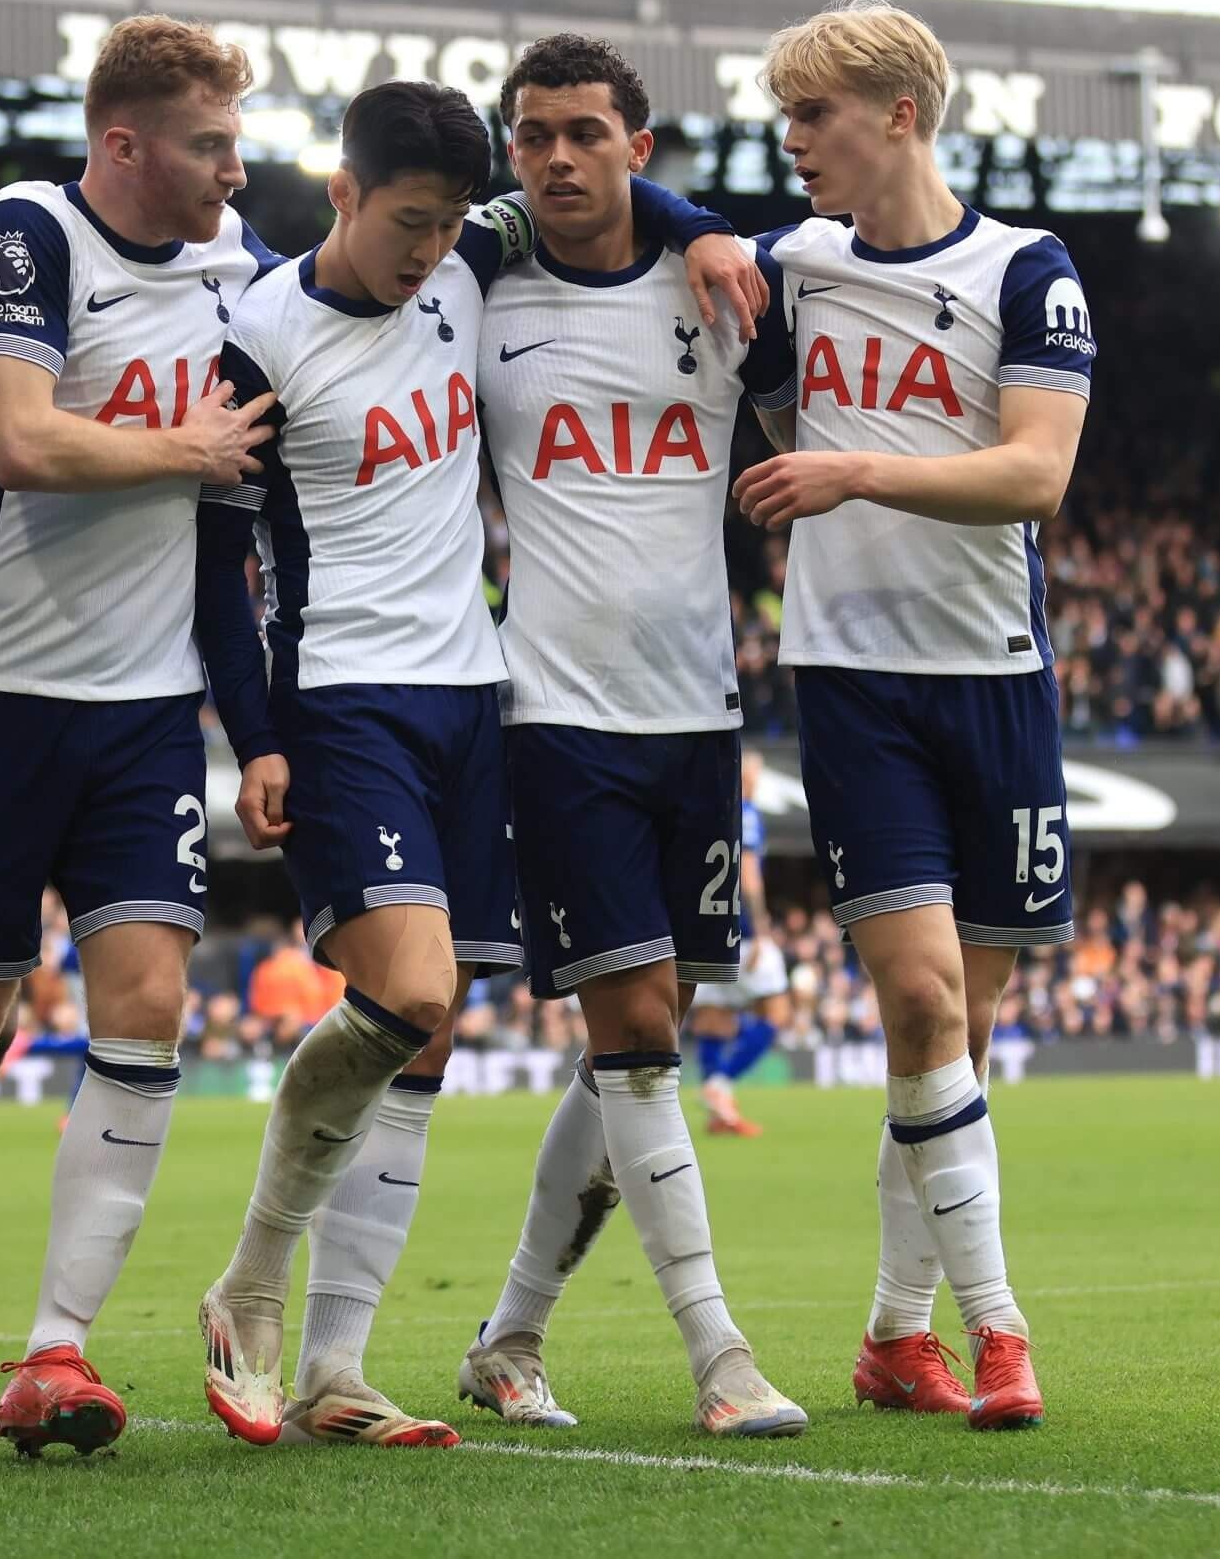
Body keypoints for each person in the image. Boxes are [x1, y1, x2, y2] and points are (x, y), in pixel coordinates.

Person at [192, 75, 764, 1449]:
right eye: (405, 223)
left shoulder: (475, 263)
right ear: (340, 194)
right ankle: (250, 1284)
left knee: (431, 1033)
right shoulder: (258, 335)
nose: (429, 252)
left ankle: (336, 1366)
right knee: (411, 987)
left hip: (477, 696)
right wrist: (255, 733)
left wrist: (698, 226)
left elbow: (606, 192)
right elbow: (216, 561)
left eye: (450, 225)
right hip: (343, 698)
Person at [0, 14, 279, 1457]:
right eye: (210, 143)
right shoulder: (28, 231)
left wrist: (258, 725)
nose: (233, 168)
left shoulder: (243, 277)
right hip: (1, 697)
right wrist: (186, 449)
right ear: (124, 144)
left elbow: (226, 545)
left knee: (147, 1004)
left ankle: (53, 1349)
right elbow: (24, 442)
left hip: (146, 714)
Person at [734, 0, 1097, 1431]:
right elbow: (689, 257)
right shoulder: (789, 264)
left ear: (899, 114)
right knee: (924, 996)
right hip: (855, 676)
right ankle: (999, 1329)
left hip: (998, 674)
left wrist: (853, 470)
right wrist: (702, 229)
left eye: (812, 116)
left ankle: (895, 1331)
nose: (792, 143)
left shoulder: (1028, 268)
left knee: (952, 1036)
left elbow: (1035, 475)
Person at [453, 33, 805, 1438]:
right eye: (531, 134)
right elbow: (371, 252)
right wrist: (698, 216)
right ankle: (719, 1353)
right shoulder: (479, 292)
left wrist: (706, 230)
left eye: (585, 133)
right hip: (556, 712)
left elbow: (807, 429)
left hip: (699, 714)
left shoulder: (720, 291)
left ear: (637, 147)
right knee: (642, 1027)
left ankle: (511, 1330)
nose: (555, 158)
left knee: (640, 1039)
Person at [688, 747, 786, 1135]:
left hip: (706, 930)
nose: (756, 782)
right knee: (777, 1014)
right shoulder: (745, 812)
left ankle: (720, 1116)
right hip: (743, 933)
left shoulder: (707, 811)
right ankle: (719, 1084)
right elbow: (748, 875)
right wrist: (761, 930)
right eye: (754, 775)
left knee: (714, 1021)